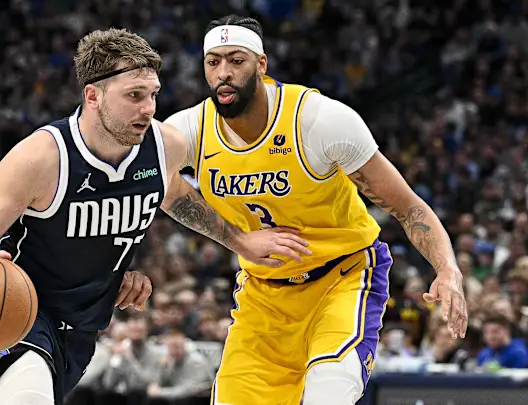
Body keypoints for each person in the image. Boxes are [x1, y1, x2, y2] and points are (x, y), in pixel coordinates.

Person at [0, 28, 309, 405]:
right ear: (93, 96)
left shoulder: (164, 146)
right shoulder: (42, 158)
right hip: (16, 308)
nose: (149, 108)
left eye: (153, 95)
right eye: (134, 95)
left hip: (83, 325)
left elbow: (175, 196)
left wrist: (240, 240)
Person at [164, 15, 468, 405]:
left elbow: (409, 208)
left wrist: (447, 269)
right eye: (213, 62)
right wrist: (238, 240)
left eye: (236, 60)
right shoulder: (189, 129)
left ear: (261, 64)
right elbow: (160, 187)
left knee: (329, 394)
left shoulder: (319, 121)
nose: (224, 73)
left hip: (342, 278)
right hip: (264, 295)